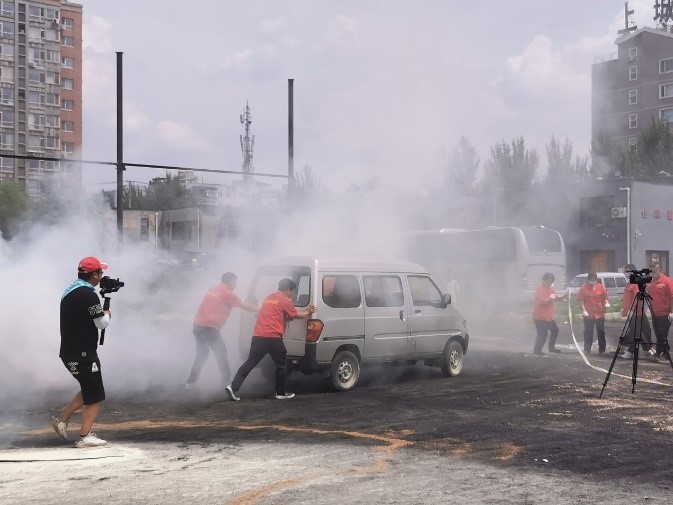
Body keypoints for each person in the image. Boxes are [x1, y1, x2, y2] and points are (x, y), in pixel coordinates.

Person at [51, 256, 112, 448]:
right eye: (100, 272)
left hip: (70, 352)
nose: (101, 276)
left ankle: (62, 420)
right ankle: (84, 437)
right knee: (95, 394)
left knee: (89, 388)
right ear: (94, 274)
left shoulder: (70, 291)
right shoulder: (89, 295)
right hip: (83, 354)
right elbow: (101, 324)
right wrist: (107, 314)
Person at [226, 279, 316, 401]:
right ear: (287, 290)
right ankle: (281, 393)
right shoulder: (285, 300)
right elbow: (296, 315)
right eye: (293, 291)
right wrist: (308, 311)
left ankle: (233, 387)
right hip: (273, 337)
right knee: (281, 364)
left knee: (250, 362)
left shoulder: (269, 298)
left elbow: (276, 314)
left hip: (258, 336)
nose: (293, 294)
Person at [185, 272, 258, 390]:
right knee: (221, 353)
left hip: (198, 325)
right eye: (235, 282)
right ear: (231, 281)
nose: (236, 284)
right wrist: (261, 308)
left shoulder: (212, 290)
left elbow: (216, 306)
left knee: (202, 355)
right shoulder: (227, 293)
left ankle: (190, 383)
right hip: (210, 328)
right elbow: (245, 306)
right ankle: (226, 381)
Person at [618, 264, 656, 361]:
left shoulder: (635, 284)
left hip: (636, 312)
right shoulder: (629, 283)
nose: (625, 273)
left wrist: (632, 310)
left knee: (635, 331)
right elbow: (626, 298)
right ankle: (647, 348)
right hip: (631, 312)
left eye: (627, 271)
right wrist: (623, 309)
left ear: (632, 271)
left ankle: (631, 351)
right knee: (637, 331)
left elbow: (637, 298)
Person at [532, 272, 567, 355]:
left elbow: (556, 297)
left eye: (551, 281)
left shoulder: (551, 290)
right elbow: (541, 302)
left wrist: (563, 296)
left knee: (555, 330)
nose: (549, 283)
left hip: (548, 316)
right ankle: (537, 350)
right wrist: (549, 299)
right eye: (548, 281)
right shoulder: (539, 290)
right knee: (543, 333)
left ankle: (551, 348)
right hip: (539, 317)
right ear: (544, 280)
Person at [577, 271, 609, 355]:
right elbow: (581, 300)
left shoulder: (600, 287)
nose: (593, 281)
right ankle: (587, 349)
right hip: (588, 314)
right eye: (591, 280)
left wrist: (606, 302)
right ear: (588, 280)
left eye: (594, 280)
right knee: (588, 332)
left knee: (601, 331)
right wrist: (584, 310)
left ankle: (602, 349)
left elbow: (605, 296)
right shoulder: (583, 288)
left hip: (599, 313)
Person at [646, 263, 673, 360]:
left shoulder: (666, 281)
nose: (652, 274)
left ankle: (658, 353)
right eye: (651, 272)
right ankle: (665, 352)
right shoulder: (650, 282)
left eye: (654, 271)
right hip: (654, 312)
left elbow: (672, 297)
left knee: (661, 334)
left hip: (665, 313)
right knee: (659, 334)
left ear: (659, 270)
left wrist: (671, 312)